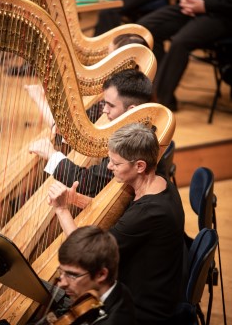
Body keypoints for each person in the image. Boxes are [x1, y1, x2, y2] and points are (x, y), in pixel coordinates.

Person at [47, 123, 186, 325]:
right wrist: (77, 200)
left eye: (116, 163)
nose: (109, 167)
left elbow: (84, 254)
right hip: (153, 284)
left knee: (50, 291)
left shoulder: (148, 213)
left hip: (141, 309)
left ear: (139, 166)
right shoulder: (159, 183)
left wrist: (61, 209)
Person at [137, 0, 232, 111]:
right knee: (146, 29)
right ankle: (154, 90)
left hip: (222, 14)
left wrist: (205, 6)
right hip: (196, 2)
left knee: (180, 42)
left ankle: (159, 104)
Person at [29, 69, 153, 197]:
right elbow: (75, 128)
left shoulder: (134, 144)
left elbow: (90, 183)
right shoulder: (117, 118)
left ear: (131, 111)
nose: (105, 110)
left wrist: (52, 155)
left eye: (110, 105)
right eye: (104, 103)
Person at [40, 225, 136, 325]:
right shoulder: (117, 289)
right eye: (61, 272)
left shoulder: (114, 320)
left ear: (101, 275)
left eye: (72, 275)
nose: (61, 284)